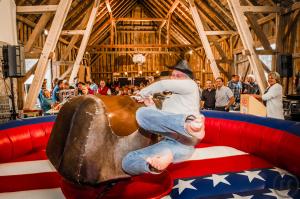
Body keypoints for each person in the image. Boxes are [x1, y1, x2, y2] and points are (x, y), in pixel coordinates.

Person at [122, 60, 205, 175]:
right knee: (127, 162)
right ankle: (155, 165)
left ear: (187, 78)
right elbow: (162, 121)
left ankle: (188, 125)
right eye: (173, 75)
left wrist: (141, 93)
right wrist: (150, 105)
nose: (174, 78)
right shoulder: (169, 97)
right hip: (179, 147)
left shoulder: (191, 85)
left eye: (178, 75)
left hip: (188, 135)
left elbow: (162, 84)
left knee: (141, 113)